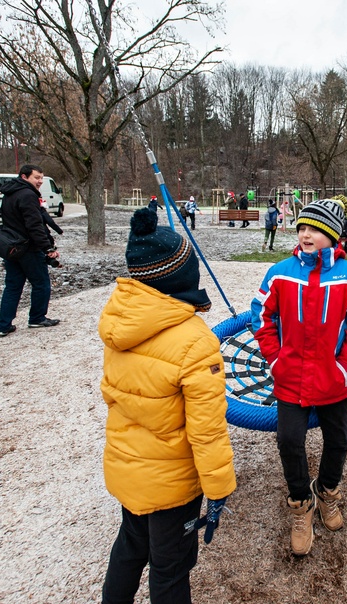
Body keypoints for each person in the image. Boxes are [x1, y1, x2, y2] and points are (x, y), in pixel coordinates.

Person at [99, 207, 236, 603]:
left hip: (129, 468)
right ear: (181, 276)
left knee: (129, 548)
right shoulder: (195, 342)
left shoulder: (120, 323)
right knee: (171, 567)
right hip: (173, 483)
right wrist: (218, 487)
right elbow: (206, 430)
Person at [251, 198, 347, 557]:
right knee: (289, 441)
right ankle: (301, 504)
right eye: (302, 227)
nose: (305, 234)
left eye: (314, 229)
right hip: (290, 376)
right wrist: (275, 360)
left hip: (333, 378)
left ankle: (327, 493)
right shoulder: (281, 272)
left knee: (340, 441)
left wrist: (344, 364)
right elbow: (260, 315)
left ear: (332, 236)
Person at [0, 164, 61, 337]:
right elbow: (34, 225)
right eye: (36, 178)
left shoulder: (9, 194)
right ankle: (37, 317)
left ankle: (3, 324)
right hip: (28, 248)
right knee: (41, 283)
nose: (40, 181)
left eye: (41, 178)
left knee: (13, 286)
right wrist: (48, 247)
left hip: (11, 247)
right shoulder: (28, 195)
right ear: (24, 177)